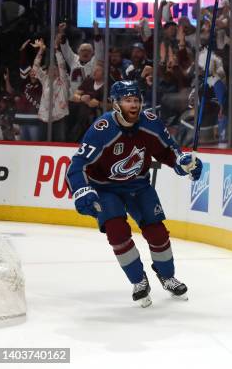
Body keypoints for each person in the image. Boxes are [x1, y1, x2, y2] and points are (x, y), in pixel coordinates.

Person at [66, 81, 203, 307]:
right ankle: (138, 280)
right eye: (128, 100)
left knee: (157, 232)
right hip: (105, 188)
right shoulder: (101, 129)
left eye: (137, 100)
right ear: (116, 103)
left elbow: (168, 151)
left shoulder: (150, 123)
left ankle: (167, 276)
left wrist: (184, 163)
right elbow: (77, 164)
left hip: (138, 186)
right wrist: (81, 190)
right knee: (117, 232)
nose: (134, 105)